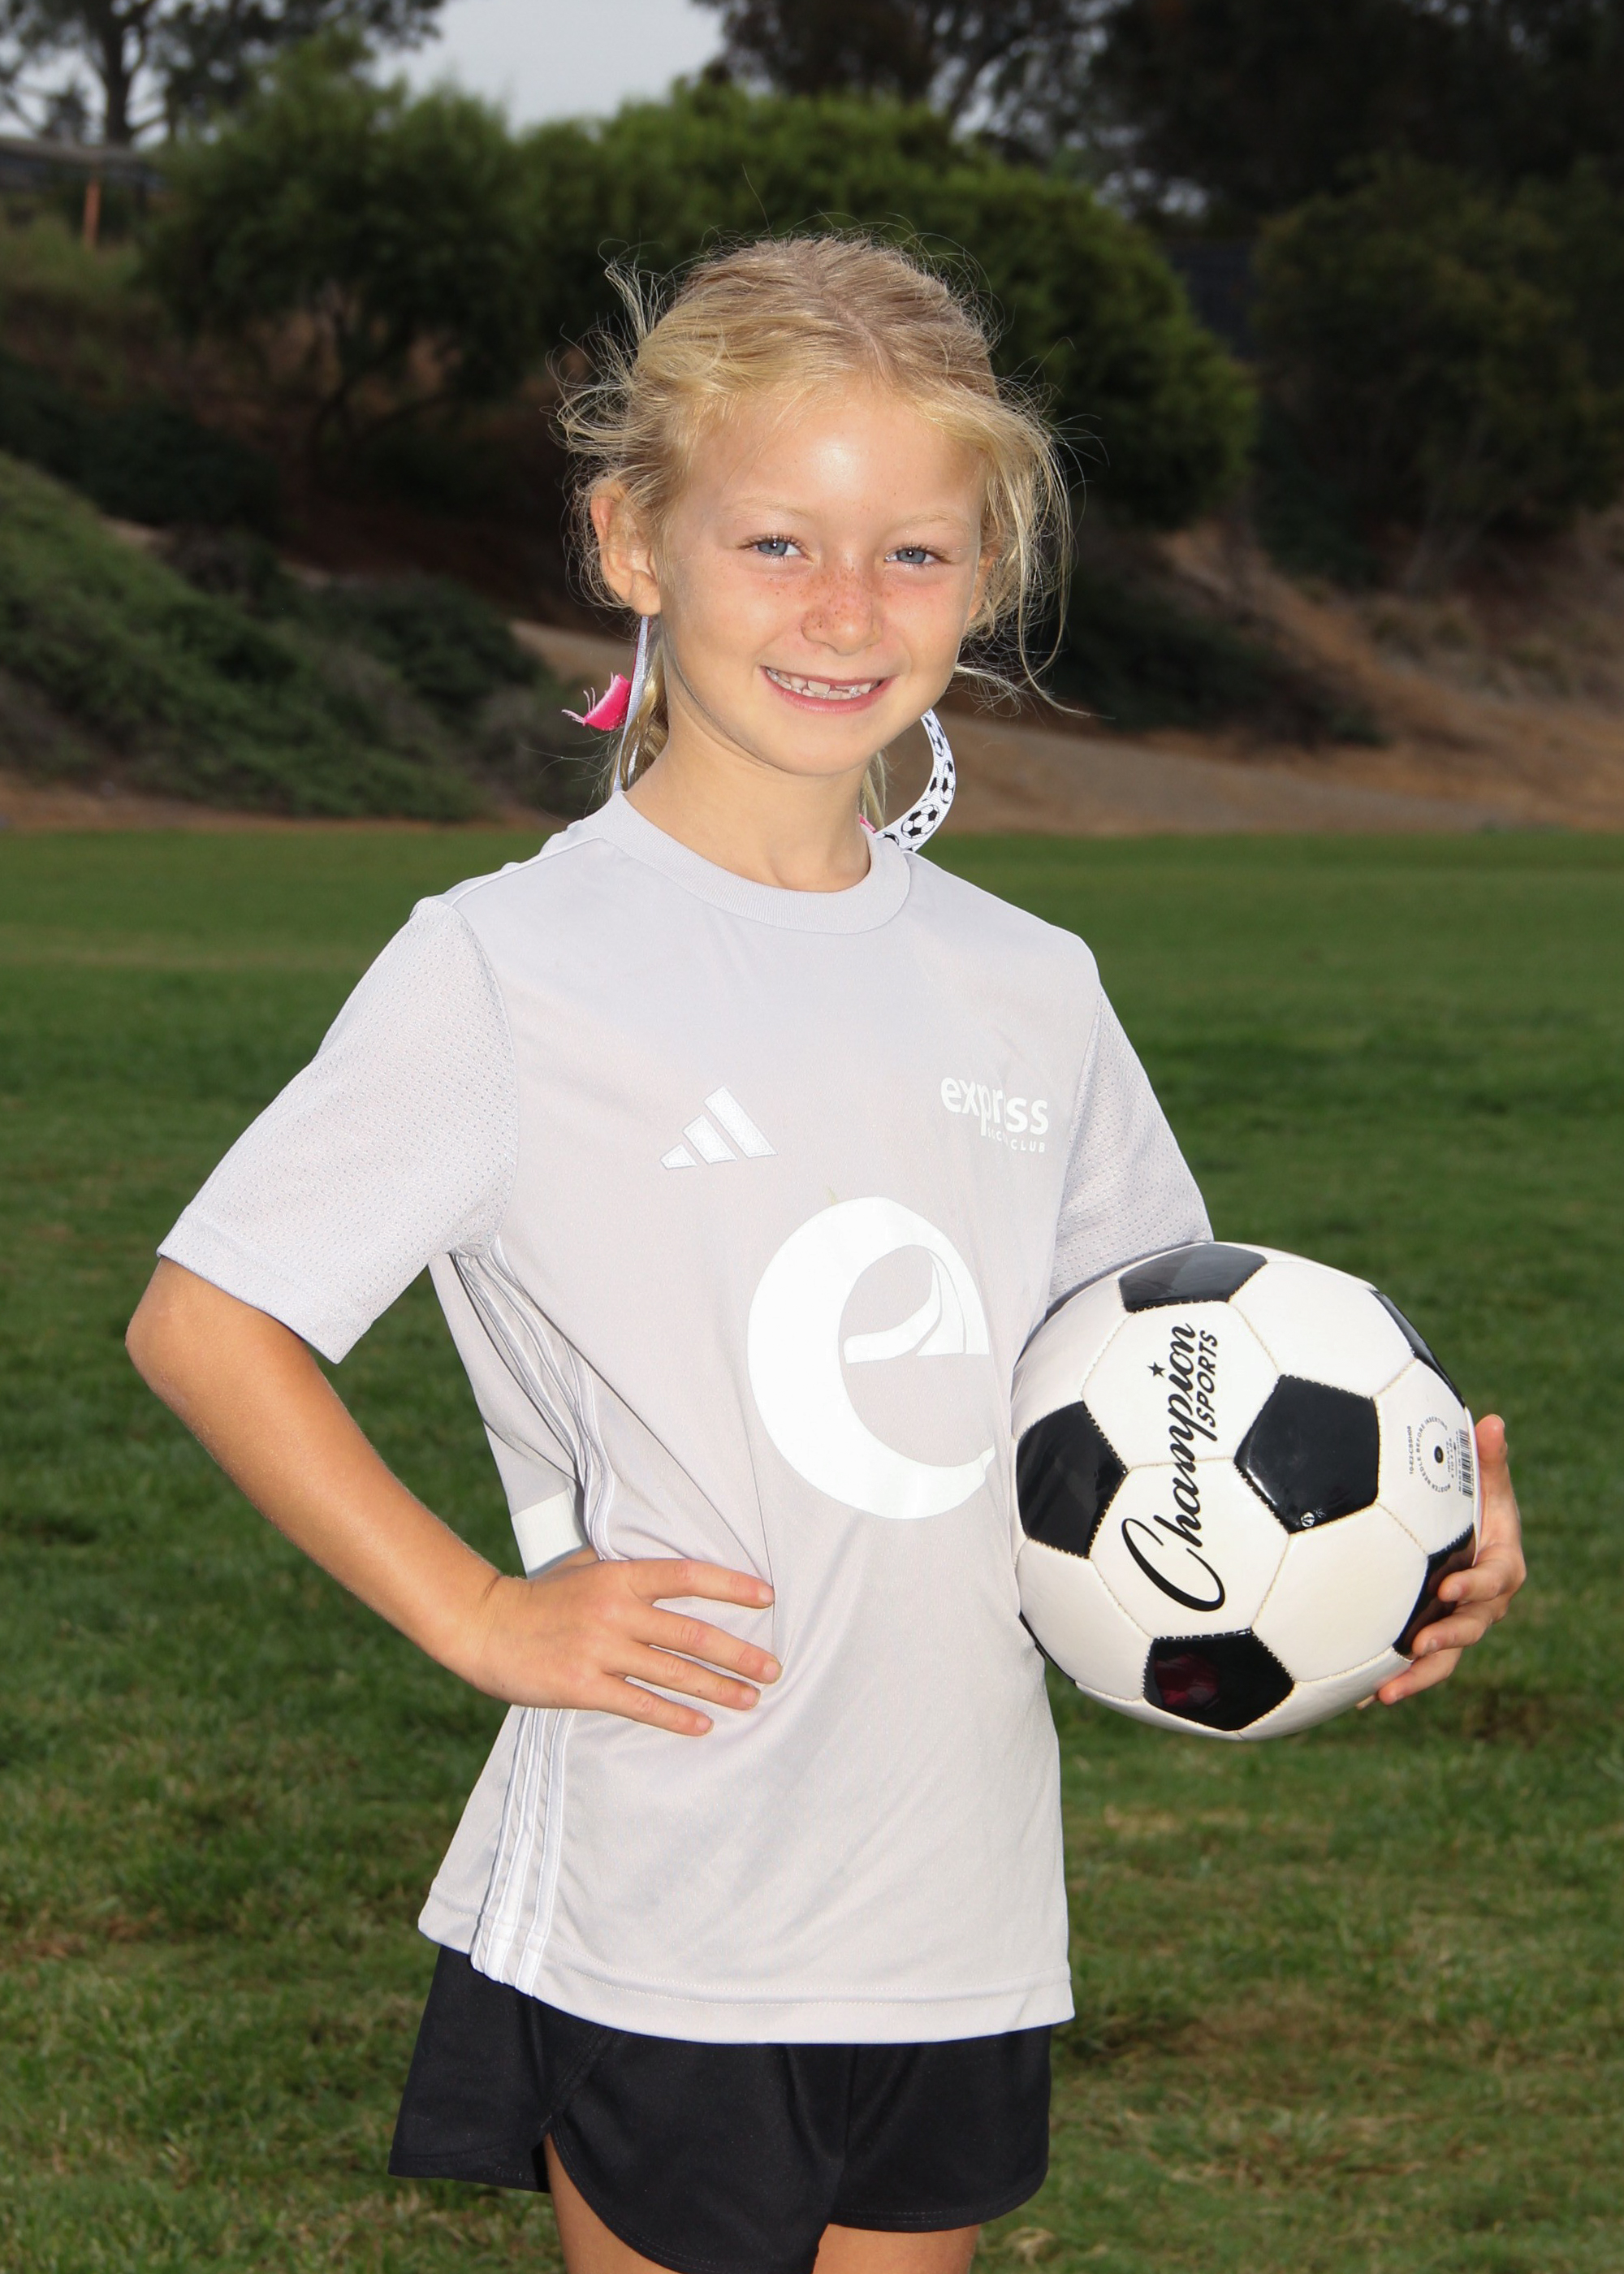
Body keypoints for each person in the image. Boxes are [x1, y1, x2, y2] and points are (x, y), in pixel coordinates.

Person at [125, 236, 1526, 2274]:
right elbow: (207, 1318)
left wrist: (1407, 1552)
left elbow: (1170, 1381)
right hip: (673, 1879)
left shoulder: (1028, 984)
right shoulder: (511, 965)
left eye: (914, 554)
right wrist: (479, 1612)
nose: (845, 608)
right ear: (633, 538)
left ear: (986, 578)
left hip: (954, 1895)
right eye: (777, 539)